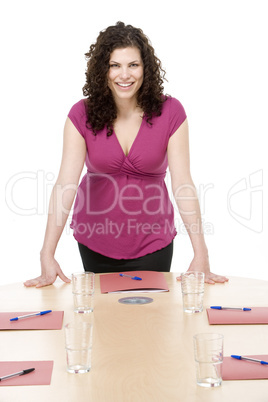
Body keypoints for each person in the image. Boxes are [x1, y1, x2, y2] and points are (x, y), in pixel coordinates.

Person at [24, 22, 228, 288]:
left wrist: (201, 253)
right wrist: (46, 254)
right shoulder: (80, 114)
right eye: (115, 65)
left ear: (146, 68)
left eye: (133, 65)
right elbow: (65, 185)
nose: (125, 74)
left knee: (151, 324)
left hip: (154, 243)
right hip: (95, 240)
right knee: (104, 325)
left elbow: (183, 184)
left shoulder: (171, 112)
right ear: (103, 70)